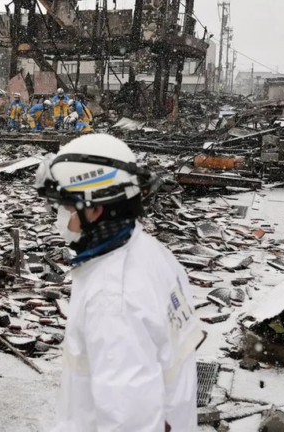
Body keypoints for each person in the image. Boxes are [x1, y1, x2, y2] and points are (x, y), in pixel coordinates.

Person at [35, 134, 204, 432]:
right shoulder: (148, 250)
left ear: (95, 209)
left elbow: (129, 421)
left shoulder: (113, 300)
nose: (58, 216)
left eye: (65, 207)